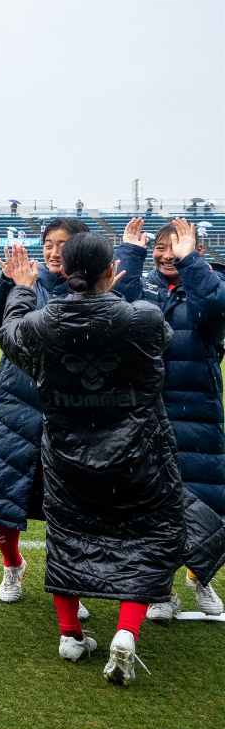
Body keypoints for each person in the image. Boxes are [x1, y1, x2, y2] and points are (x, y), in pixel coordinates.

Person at [0, 234, 193, 685]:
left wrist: (22, 290)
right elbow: (158, 340)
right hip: (138, 453)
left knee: (68, 532)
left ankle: (70, 635)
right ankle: (126, 632)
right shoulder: (141, 317)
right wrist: (115, 302)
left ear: (63, 271)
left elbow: (10, 337)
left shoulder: (43, 323)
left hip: (68, 453)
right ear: (110, 272)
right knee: (150, 534)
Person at [0, 217, 142, 606]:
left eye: (63, 244)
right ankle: (12, 566)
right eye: (48, 243)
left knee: (70, 507)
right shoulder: (29, 281)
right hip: (18, 408)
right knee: (2, 496)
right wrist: (8, 282)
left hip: (76, 414)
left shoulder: (96, 289)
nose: (53, 251)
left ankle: (71, 587)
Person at [119, 217, 225, 619]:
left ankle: (201, 577)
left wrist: (191, 261)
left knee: (207, 499)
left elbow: (216, 310)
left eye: (175, 246)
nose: (167, 254)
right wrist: (130, 253)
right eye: (161, 247)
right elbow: (118, 310)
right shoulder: (142, 284)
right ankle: (160, 589)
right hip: (145, 412)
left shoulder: (206, 282)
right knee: (152, 504)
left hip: (197, 409)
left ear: (192, 248)